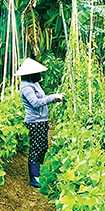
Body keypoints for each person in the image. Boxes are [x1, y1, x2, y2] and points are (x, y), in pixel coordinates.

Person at [15, 58, 65, 188]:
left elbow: (43, 99)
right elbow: (36, 103)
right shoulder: (26, 87)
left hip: (42, 120)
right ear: (30, 74)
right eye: (38, 73)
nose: (40, 75)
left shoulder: (35, 84)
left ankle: (39, 173)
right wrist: (53, 96)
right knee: (36, 149)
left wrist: (55, 99)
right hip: (34, 122)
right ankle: (34, 177)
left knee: (43, 147)